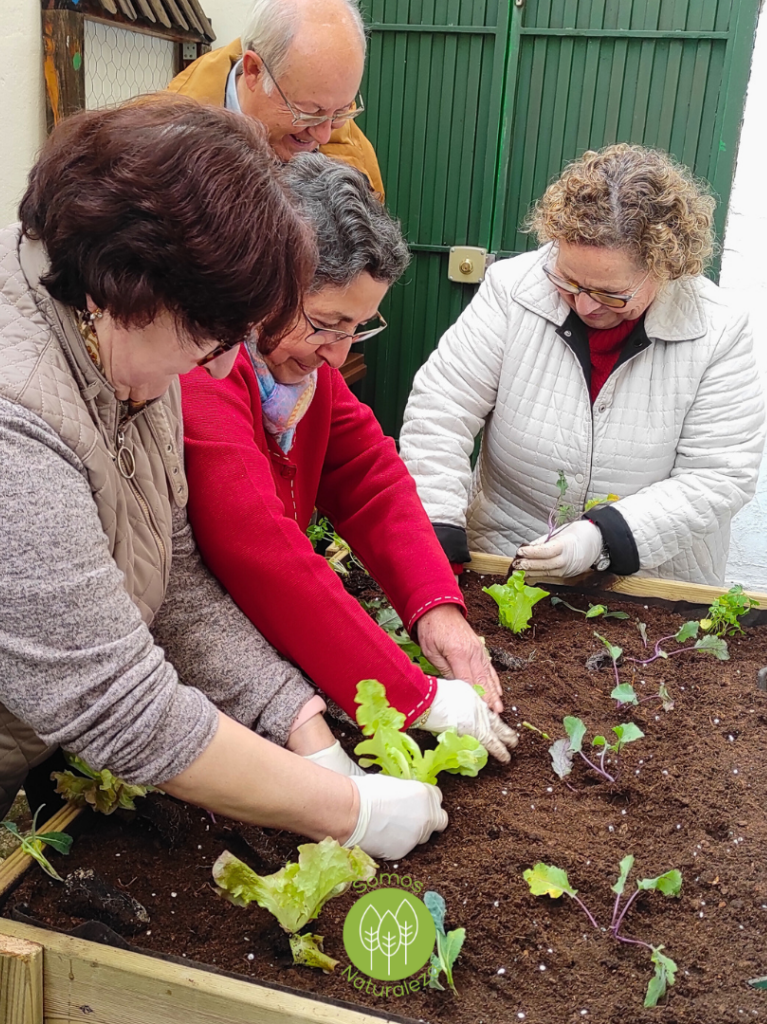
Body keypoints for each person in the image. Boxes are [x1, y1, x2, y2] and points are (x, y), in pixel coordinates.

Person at [0, 98, 444, 1024]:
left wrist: (300, 724)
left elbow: (171, 571)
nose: (224, 370)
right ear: (133, 286)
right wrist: (343, 812)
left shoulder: (120, 338)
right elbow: (118, 708)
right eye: (217, 338)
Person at [181, 153, 517, 767]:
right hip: (188, 678)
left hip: (262, 663)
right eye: (328, 324)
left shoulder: (298, 369)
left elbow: (370, 480)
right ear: (259, 282)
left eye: (359, 328)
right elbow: (261, 551)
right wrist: (413, 698)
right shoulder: (199, 368)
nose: (337, 357)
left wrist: (435, 608)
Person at [399, 143, 766, 586]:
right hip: (507, 553)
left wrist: (604, 537)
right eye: (568, 281)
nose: (587, 305)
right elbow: (441, 410)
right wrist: (438, 526)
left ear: (665, 267)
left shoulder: (717, 330)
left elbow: (719, 476)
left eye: (612, 293)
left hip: (651, 578)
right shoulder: (512, 290)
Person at [169, 0, 383, 197]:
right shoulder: (163, 149)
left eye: (341, 111)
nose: (324, 136)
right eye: (309, 111)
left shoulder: (358, 158)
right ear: (253, 70)